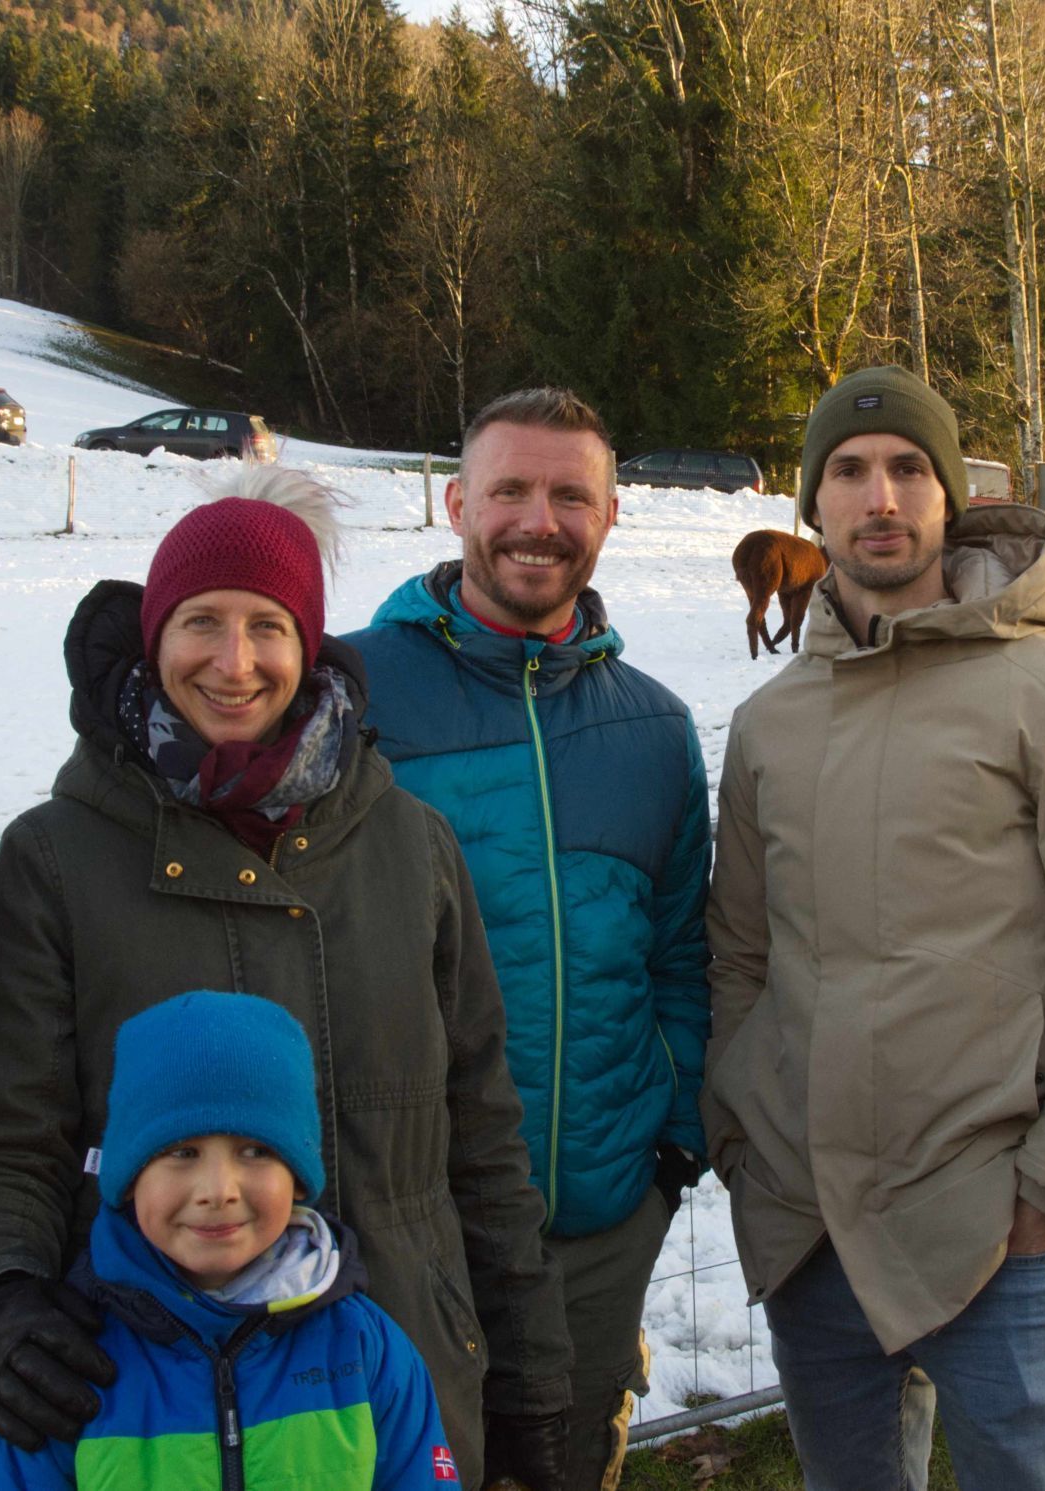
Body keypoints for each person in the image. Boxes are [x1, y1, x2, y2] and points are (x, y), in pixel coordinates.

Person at [0, 468, 571, 1491]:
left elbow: (481, 1136)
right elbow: (3, 1142)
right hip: (147, 1412)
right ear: (154, 637)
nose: (234, 663)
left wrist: (532, 1391)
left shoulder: (412, 848)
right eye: (200, 622)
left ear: (306, 644)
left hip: (401, 1405)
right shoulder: (58, 860)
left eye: (267, 626)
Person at [702, 366, 1045, 1491]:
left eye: (907, 469)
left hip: (998, 1234)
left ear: (948, 497)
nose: (879, 495)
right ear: (810, 507)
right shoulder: (770, 724)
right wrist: (744, 1130)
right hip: (810, 1232)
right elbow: (738, 951)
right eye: (847, 471)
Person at [345, 388, 712, 1490]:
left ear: (607, 517)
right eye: (508, 489)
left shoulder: (651, 726)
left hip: (595, 1218)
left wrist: (671, 1143)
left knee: (562, 1456)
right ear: (457, 503)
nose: (535, 520)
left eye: (569, 495)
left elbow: (682, 952)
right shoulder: (352, 691)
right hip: (405, 1225)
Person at [0, 991, 456, 1490]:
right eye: (182, 1152)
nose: (219, 1191)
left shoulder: (362, 1347)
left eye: (256, 1150)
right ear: (130, 1176)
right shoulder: (67, 1364)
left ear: (299, 1175)